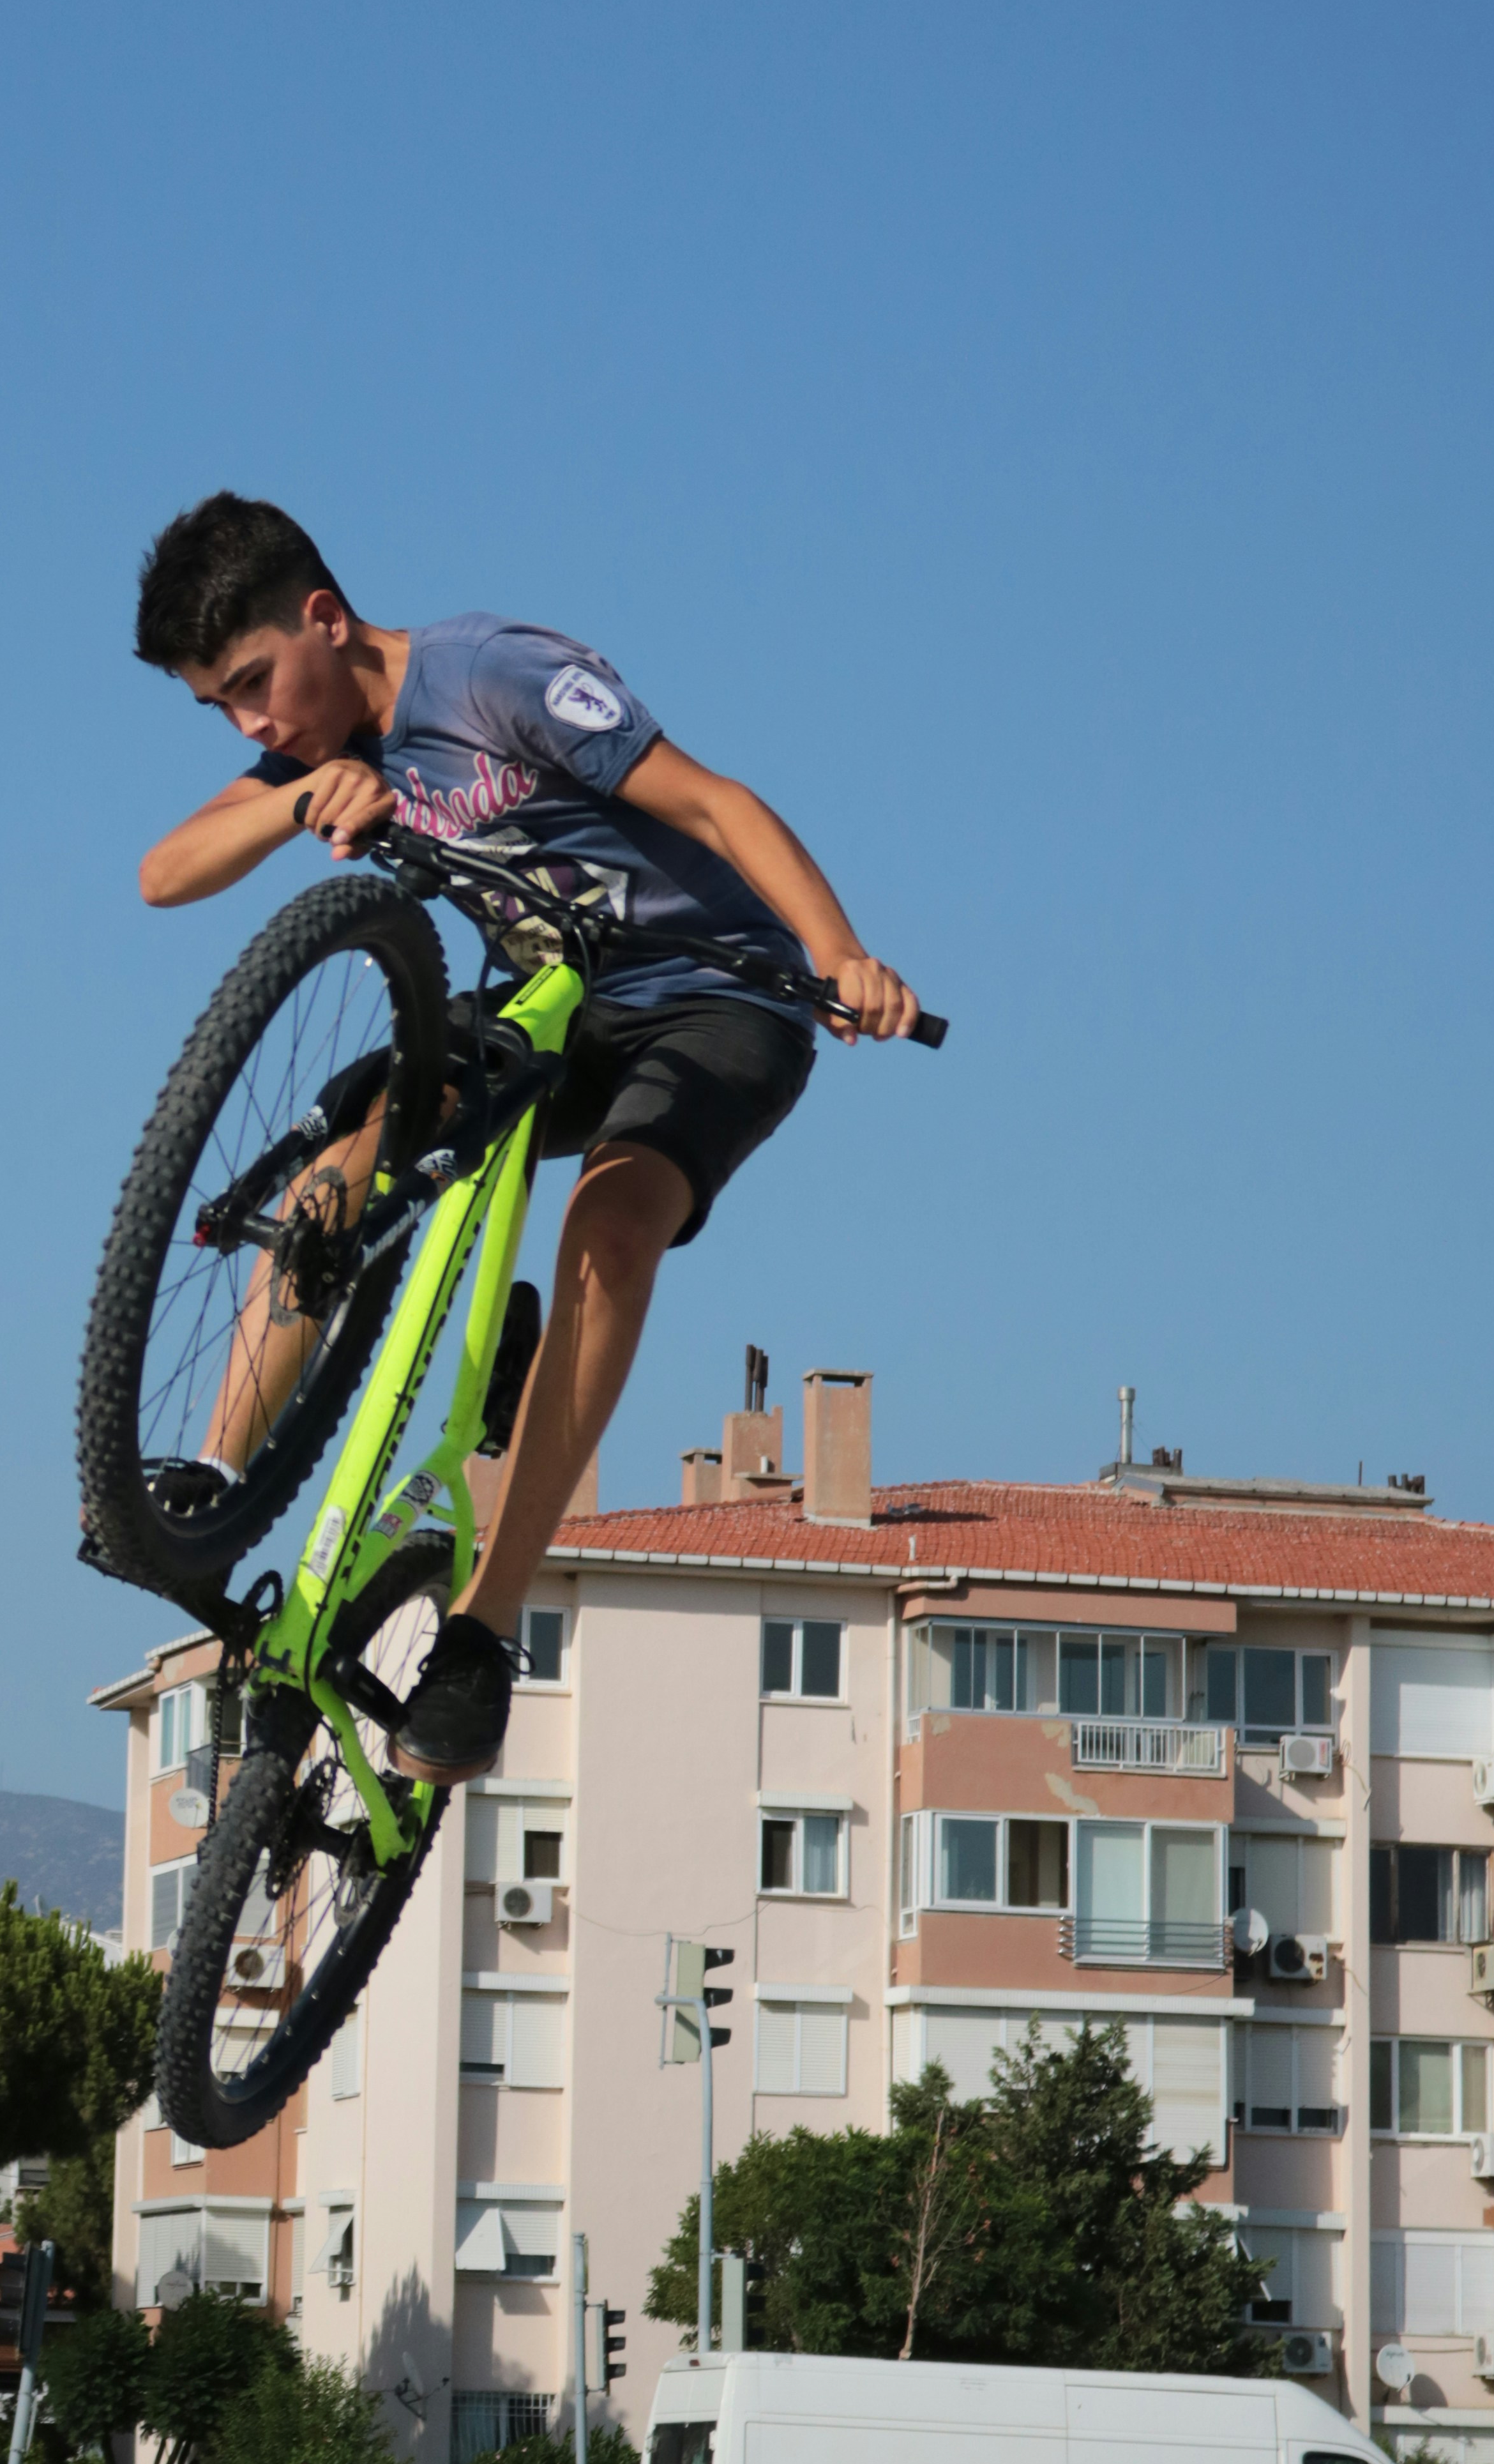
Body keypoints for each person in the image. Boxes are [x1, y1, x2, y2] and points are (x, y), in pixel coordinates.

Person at [131, 492, 925, 1786]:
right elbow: (162, 871)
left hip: (713, 1000)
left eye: (255, 685)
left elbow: (719, 805)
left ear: (323, 620)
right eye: (219, 707)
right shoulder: (316, 743)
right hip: (551, 1012)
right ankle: (215, 1475)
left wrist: (838, 952)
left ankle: (480, 1638)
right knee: (345, 1160)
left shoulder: (493, 675)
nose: (253, 725)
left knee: (608, 1228)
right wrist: (288, 803)